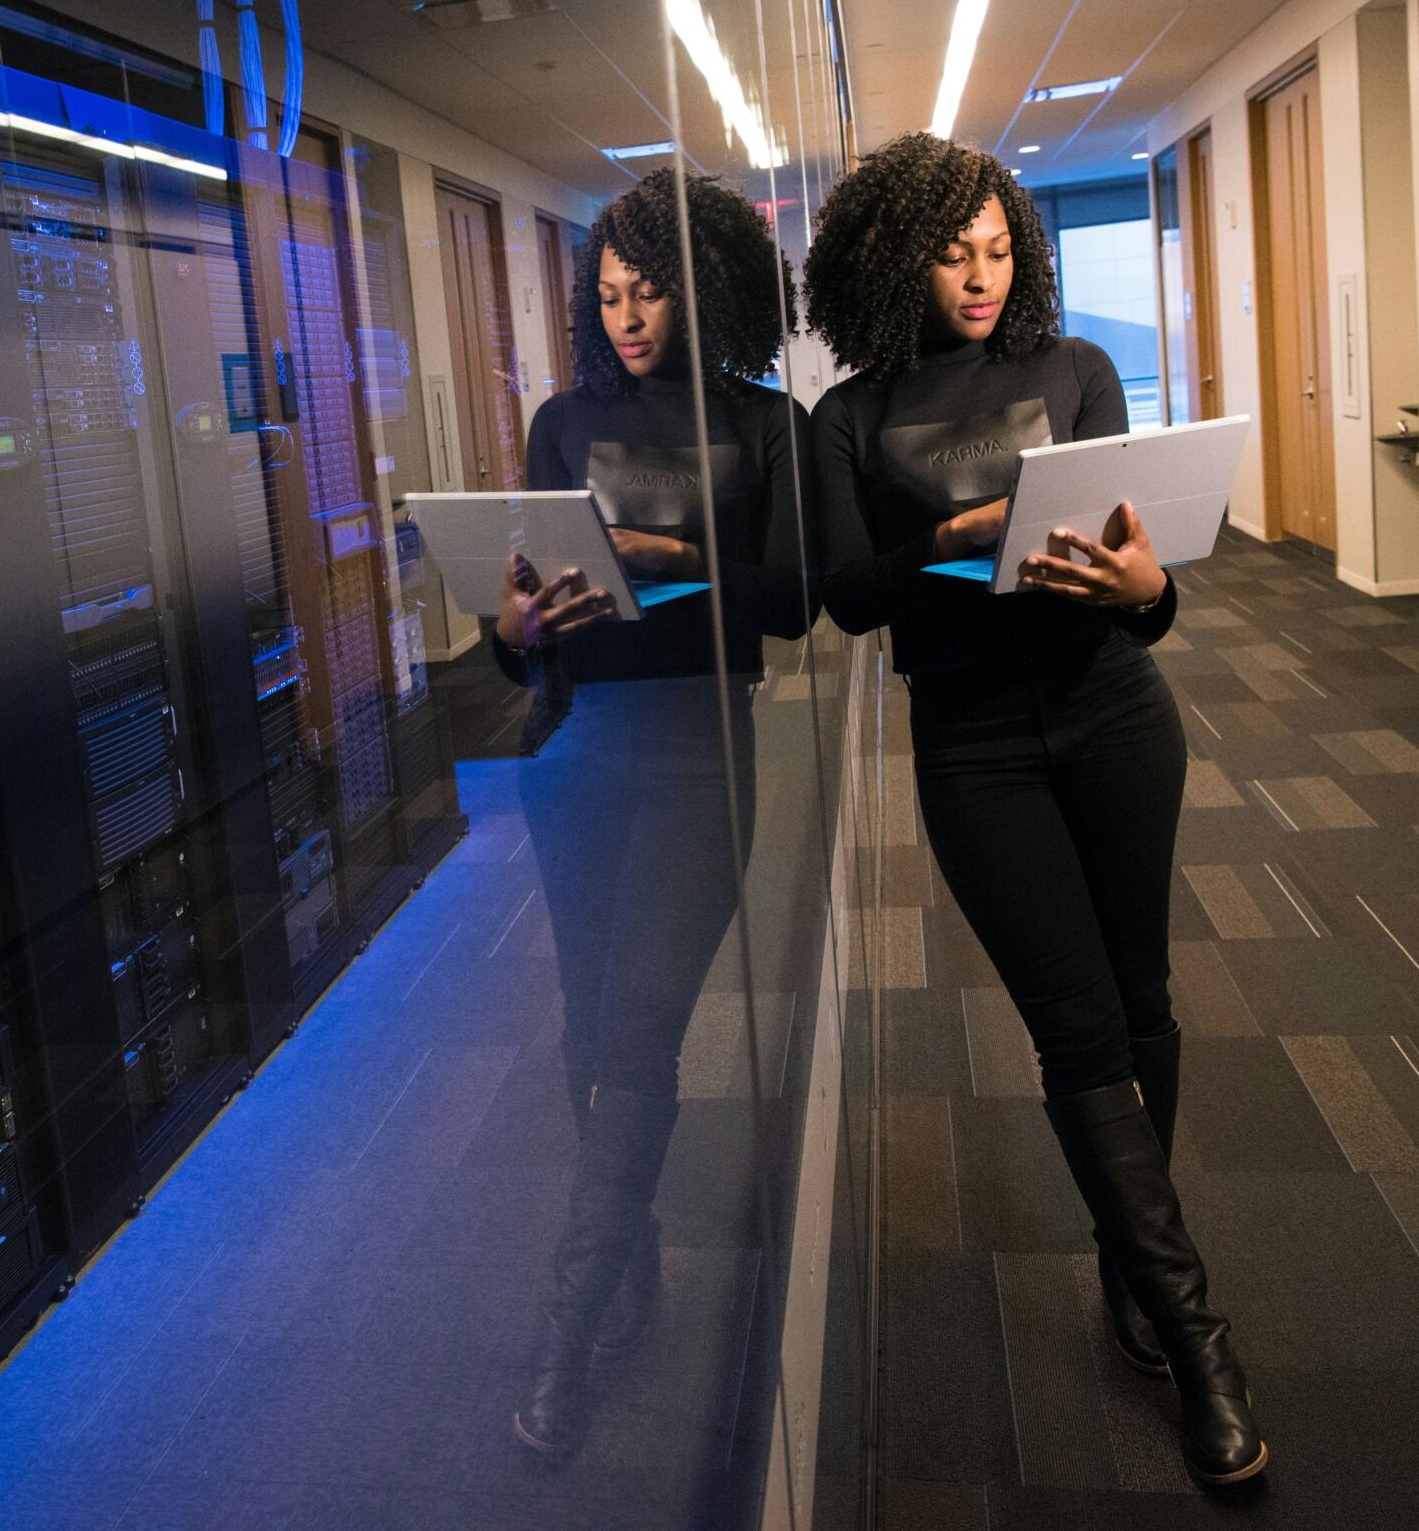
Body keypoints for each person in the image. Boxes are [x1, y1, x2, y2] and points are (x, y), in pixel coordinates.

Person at [801, 132, 1267, 1487]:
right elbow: (845, 591)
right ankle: (1198, 1344)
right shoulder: (852, 415)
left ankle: (1133, 1262)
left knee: (1144, 1002)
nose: (984, 275)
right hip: (974, 743)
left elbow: (1144, 572)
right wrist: (950, 541)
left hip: (1116, 711)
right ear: (897, 258)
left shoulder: (1078, 371)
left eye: (1002, 249)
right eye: (955, 253)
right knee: (1075, 1036)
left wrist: (1149, 592)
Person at [491, 169, 809, 1458]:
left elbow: (794, 604)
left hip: (699, 756)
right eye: (609, 294)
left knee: (640, 1035)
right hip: (578, 751)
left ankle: (569, 1330)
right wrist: (515, 628)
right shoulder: (561, 423)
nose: (627, 315)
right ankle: (630, 1264)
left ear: (705, 282)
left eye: (650, 289)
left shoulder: (762, 423)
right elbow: (519, 637)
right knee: (587, 1034)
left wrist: (677, 559)